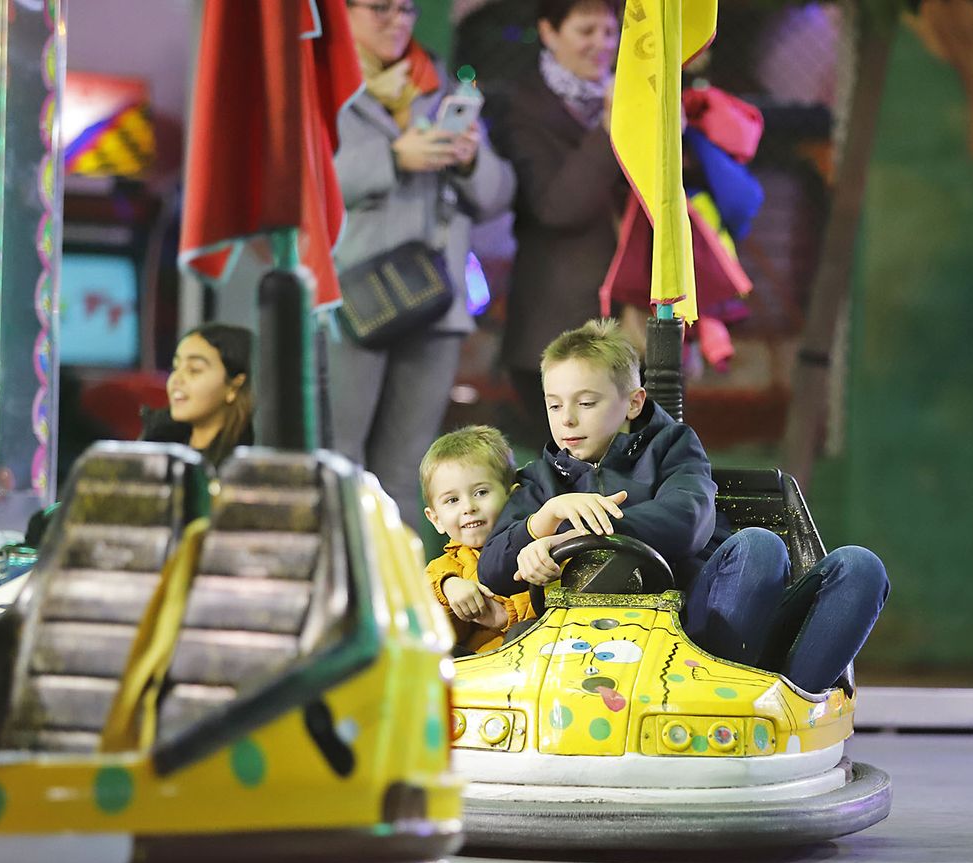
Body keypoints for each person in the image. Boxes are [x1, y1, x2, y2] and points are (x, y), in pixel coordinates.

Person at [477, 319, 889, 693]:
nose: (566, 420)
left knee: (841, 562)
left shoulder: (674, 447)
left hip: (694, 625)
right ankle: (738, 702)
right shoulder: (540, 482)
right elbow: (493, 568)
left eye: (585, 403)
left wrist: (573, 535)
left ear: (634, 403)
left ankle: (777, 703)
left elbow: (687, 521)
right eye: (554, 404)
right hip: (587, 643)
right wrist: (541, 526)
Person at [330, 0, 515, 513]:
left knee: (409, 467)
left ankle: (400, 590)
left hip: (435, 303)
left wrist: (471, 159)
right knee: (342, 459)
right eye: (380, 9)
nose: (398, 20)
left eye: (407, 10)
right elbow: (303, 177)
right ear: (342, 13)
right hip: (354, 300)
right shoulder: (326, 83)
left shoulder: (444, 86)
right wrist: (393, 159)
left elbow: (497, 194)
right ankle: (344, 587)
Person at [487, 0, 626, 445]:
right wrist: (609, 131)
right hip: (555, 325)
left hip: (632, 316)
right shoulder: (523, 107)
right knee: (575, 471)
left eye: (609, 32)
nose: (601, 45)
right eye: (586, 31)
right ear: (548, 32)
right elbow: (555, 207)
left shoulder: (634, 100)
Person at [420, 425, 536, 653]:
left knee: (522, 632)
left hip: (531, 671)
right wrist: (447, 587)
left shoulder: (534, 547)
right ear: (435, 519)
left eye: (481, 492)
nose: (468, 507)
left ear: (512, 497)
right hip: (473, 679)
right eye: (452, 500)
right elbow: (419, 615)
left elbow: (560, 602)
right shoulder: (446, 568)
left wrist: (506, 616)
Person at [141, 323, 256, 468]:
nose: (176, 379)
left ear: (234, 386)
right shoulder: (155, 447)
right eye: (175, 367)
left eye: (194, 369)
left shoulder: (247, 464)